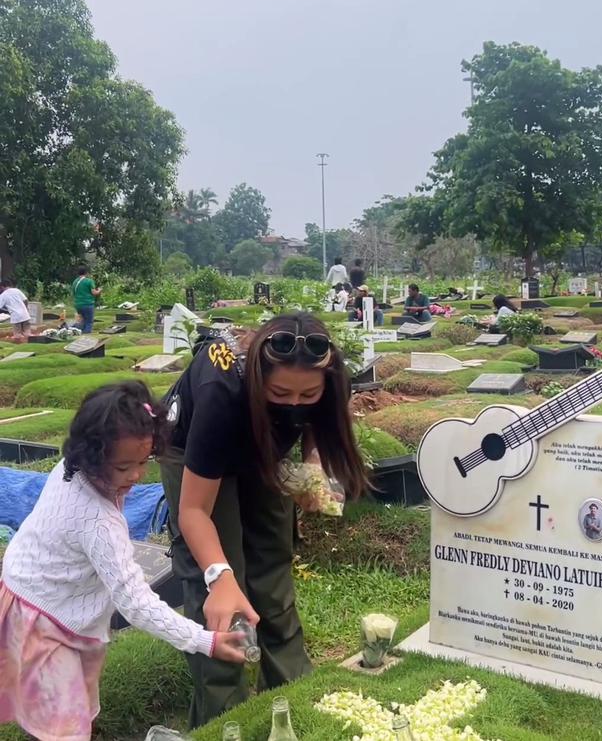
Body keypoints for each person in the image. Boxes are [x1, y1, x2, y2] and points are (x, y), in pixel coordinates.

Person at [0, 381, 245, 741]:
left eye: (143, 462)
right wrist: (203, 640)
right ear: (92, 456)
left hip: (49, 602)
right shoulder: (96, 520)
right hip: (43, 619)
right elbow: (136, 603)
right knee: (62, 729)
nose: (135, 476)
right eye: (123, 467)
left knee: (74, 713)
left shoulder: (75, 468)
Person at [158, 314, 368, 727]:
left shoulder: (330, 377)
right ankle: (225, 718)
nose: (294, 403)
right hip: (194, 451)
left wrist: (312, 467)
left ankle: (293, 694)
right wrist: (221, 577)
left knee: (272, 558)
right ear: (259, 377)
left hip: (261, 446)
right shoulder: (222, 391)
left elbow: (319, 423)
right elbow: (194, 511)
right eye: (281, 392)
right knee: (217, 589)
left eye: (307, 393)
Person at [72, 266, 102, 334]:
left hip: (78, 304)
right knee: (89, 322)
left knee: (82, 321)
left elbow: (74, 293)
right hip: (87, 304)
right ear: (86, 273)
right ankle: (86, 335)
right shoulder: (89, 281)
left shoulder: (75, 282)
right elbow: (94, 292)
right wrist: (99, 290)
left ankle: (77, 333)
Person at [0, 279, 31, 344]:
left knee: (17, 334)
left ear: (2, 286)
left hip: (16, 317)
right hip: (25, 314)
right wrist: (26, 308)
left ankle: (19, 346)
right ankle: (30, 344)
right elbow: (25, 300)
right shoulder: (17, 290)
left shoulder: (3, 295)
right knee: (27, 332)